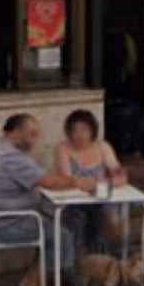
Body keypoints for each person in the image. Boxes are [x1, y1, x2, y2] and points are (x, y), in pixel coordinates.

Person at [0, 113, 88, 286]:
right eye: (32, 134)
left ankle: (54, 275)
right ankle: (31, 285)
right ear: (16, 133)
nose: (35, 140)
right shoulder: (10, 157)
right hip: (6, 224)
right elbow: (48, 181)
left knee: (65, 221)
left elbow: (37, 179)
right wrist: (78, 181)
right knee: (62, 235)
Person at [54, 109, 129, 256]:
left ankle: (116, 259)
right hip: (75, 202)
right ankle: (80, 265)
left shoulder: (103, 147)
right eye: (74, 130)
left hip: (101, 198)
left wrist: (104, 182)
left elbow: (120, 176)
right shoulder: (63, 148)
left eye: (84, 129)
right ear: (68, 132)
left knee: (112, 217)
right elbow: (68, 178)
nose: (79, 134)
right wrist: (96, 182)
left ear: (93, 130)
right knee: (76, 220)